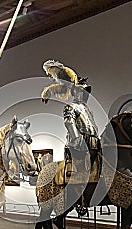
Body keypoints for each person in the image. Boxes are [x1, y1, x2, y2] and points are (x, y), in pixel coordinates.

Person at [41, 60, 101, 215]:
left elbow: (92, 126)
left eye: (86, 93)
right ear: (76, 92)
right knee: (81, 171)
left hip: (93, 142)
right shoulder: (71, 107)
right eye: (83, 92)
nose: (85, 95)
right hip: (78, 145)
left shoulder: (87, 109)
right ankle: (79, 199)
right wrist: (79, 142)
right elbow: (70, 124)